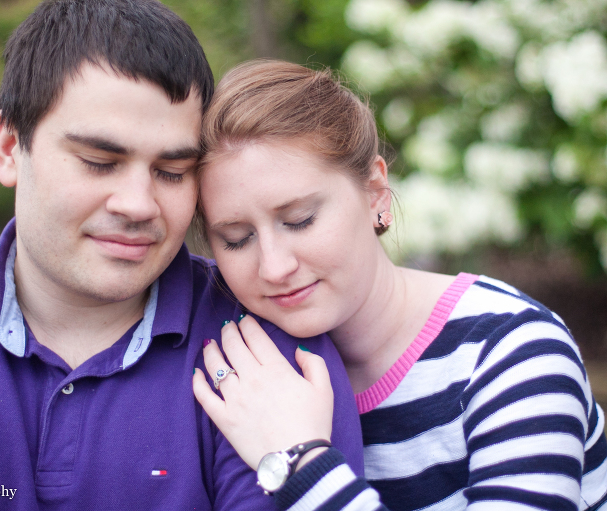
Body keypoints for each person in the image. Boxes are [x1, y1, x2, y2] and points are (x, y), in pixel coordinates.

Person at [0, 6, 366, 510]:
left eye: (172, 171)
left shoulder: (267, 354)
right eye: (99, 162)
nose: (138, 205)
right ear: (8, 147)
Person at [192, 59, 607, 510]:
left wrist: (301, 462)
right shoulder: (250, 374)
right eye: (236, 239)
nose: (273, 267)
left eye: (300, 220)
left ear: (374, 192)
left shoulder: (512, 350)